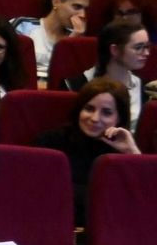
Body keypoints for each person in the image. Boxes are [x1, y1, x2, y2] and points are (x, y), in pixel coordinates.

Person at [34, 78, 142, 225]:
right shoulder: (49, 143)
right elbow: (41, 194)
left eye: (106, 112)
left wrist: (132, 152)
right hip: (55, 224)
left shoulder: (123, 151)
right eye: (89, 109)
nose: (95, 118)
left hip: (111, 228)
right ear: (79, 110)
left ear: (119, 118)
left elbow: (143, 201)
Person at [61, 21, 151, 129]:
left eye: (147, 47)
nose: (146, 53)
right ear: (115, 50)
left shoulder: (147, 90)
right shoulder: (74, 86)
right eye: (138, 47)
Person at [13, 0, 89, 83]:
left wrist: (73, 40)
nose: (82, 15)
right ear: (56, 2)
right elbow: (10, 64)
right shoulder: (23, 25)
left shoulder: (76, 37)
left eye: (85, 9)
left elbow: (69, 76)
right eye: (77, 7)